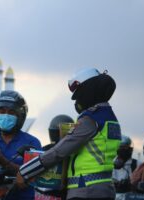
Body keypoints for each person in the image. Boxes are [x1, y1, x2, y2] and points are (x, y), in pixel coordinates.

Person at [17, 68, 121, 200]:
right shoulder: (109, 118)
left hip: (86, 190)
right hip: (104, 188)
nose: (77, 102)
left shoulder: (90, 120)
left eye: (78, 96)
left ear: (88, 91)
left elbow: (59, 151)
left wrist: (25, 171)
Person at [0, 90, 42, 200]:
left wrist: (2, 160)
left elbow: (33, 175)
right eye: (2, 111)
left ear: (20, 117)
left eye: (11, 112)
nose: (6, 116)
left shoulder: (32, 142)